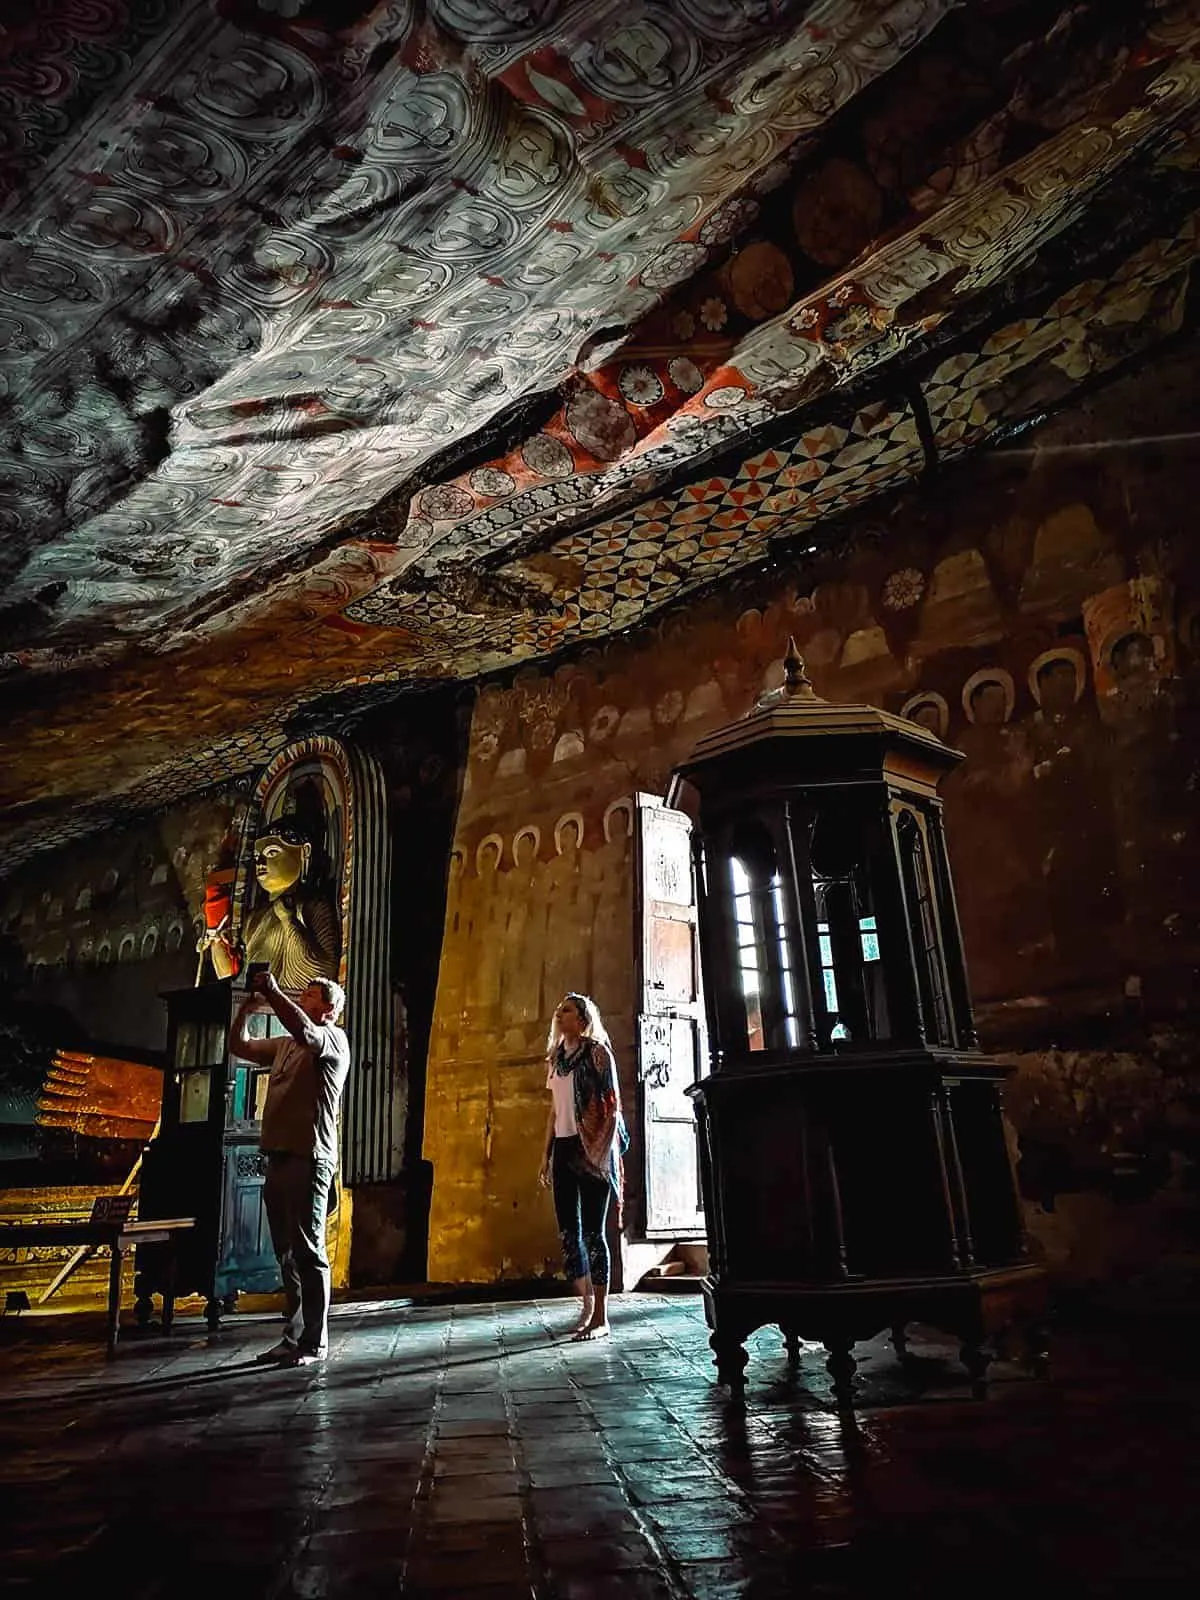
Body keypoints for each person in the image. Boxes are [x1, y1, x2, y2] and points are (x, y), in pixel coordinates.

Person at [229, 969, 350, 1366]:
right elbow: (240, 1047)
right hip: (278, 1157)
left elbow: (304, 1028)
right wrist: (246, 1010)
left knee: (309, 1250)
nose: (302, 997)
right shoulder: (284, 1045)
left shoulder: (332, 1039)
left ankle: (314, 1342)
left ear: (329, 1009)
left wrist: (275, 991)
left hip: (308, 1156)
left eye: (310, 995)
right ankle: (293, 1334)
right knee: (286, 1252)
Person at [538, 993, 626, 1342]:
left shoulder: (597, 1053)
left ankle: (602, 1316)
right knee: (569, 1234)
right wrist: (544, 1154)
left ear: (584, 1018)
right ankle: (585, 1306)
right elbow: (554, 1111)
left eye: (568, 1011)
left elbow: (612, 1106)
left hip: (592, 1148)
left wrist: (600, 1151)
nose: (560, 1016)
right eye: (559, 1010)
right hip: (563, 1147)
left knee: (593, 1232)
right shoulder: (557, 1059)